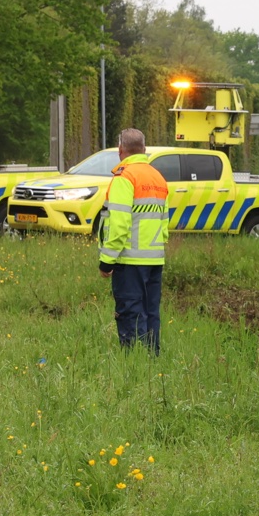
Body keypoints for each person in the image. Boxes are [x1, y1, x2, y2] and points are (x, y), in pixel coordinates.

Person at [99, 128, 169, 351]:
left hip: (129, 260)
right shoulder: (158, 177)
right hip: (154, 260)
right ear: (144, 149)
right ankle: (151, 360)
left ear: (120, 150)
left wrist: (107, 260)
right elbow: (164, 222)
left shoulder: (125, 176)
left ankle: (133, 363)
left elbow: (119, 224)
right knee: (150, 313)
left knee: (130, 312)